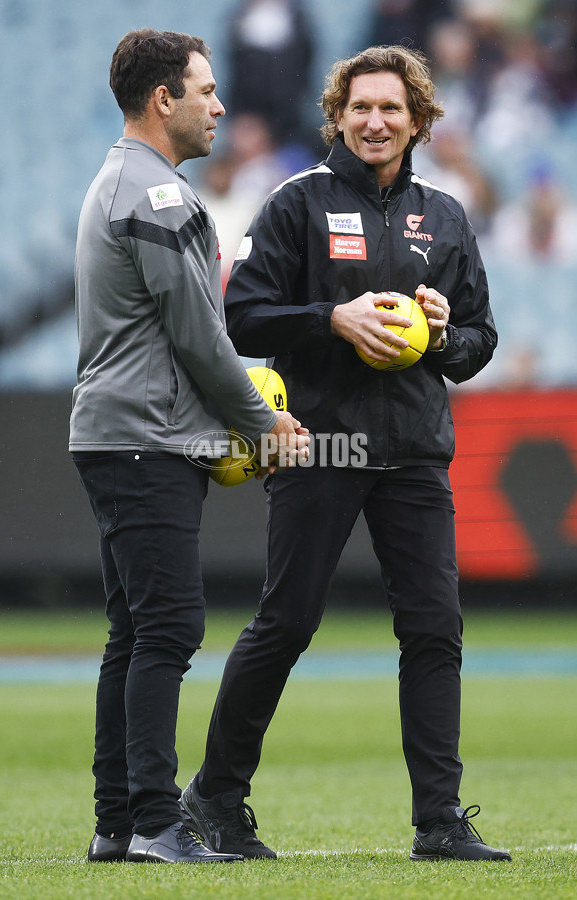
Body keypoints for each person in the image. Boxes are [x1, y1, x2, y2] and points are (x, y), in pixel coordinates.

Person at [180, 45, 512, 863]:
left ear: (419, 121)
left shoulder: (445, 213)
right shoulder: (295, 203)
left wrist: (441, 333)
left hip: (416, 451)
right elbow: (243, 316)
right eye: (360, 107)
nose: (375, 121)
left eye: (392, 109)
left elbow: (479, 341)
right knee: (287, 621)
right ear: (336, 115)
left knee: (435, 629)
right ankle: (214, 798)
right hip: (321, 443)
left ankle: (439, 821)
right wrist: (333, 318)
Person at [69, 28, 308, 865]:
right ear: (162, 98)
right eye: (205, 90)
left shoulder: (122, 180)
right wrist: (262, 421)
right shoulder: (159, 195)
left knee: (134, 631)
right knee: (168, 625)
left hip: (117, 432)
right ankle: (154, 823)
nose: (219, 105)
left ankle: (115, 821)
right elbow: (200, 337)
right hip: (144, 438)